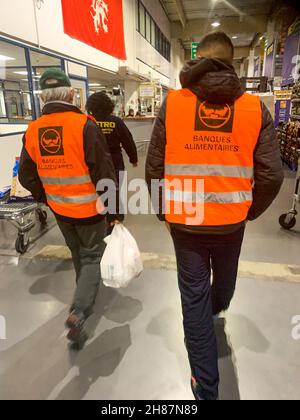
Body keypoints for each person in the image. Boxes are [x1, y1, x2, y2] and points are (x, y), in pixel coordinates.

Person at [146, 32, 284, 400]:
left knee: (193, 296)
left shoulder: (174, 103)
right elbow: (273, 173)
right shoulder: (254, 108)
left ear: (196, 62)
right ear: (233, 63)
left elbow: (154, 165)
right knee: (223, 279)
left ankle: (206, 387)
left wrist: (164, 209)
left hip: (186, 222)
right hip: (231, 222)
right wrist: (248, 210)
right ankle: (218, 307)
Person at [19, 69, 120, 347]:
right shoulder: (85, 125)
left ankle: (83, 292)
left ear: (42, 98)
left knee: (77, 252)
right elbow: (104, 173)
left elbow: (25, 175)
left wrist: (46, 196)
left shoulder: (33, 130)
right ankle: (79, 309)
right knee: (91, 257)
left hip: (60, 210)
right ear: (72, 94)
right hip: (90, 209)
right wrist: (113, 211)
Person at [86, 92, 138, 180]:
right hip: (115, 161)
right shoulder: (116, 121)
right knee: (115, 190)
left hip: (95, 162)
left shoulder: (87, 122)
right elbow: (127, 140)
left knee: (98, 191)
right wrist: (133, 159)